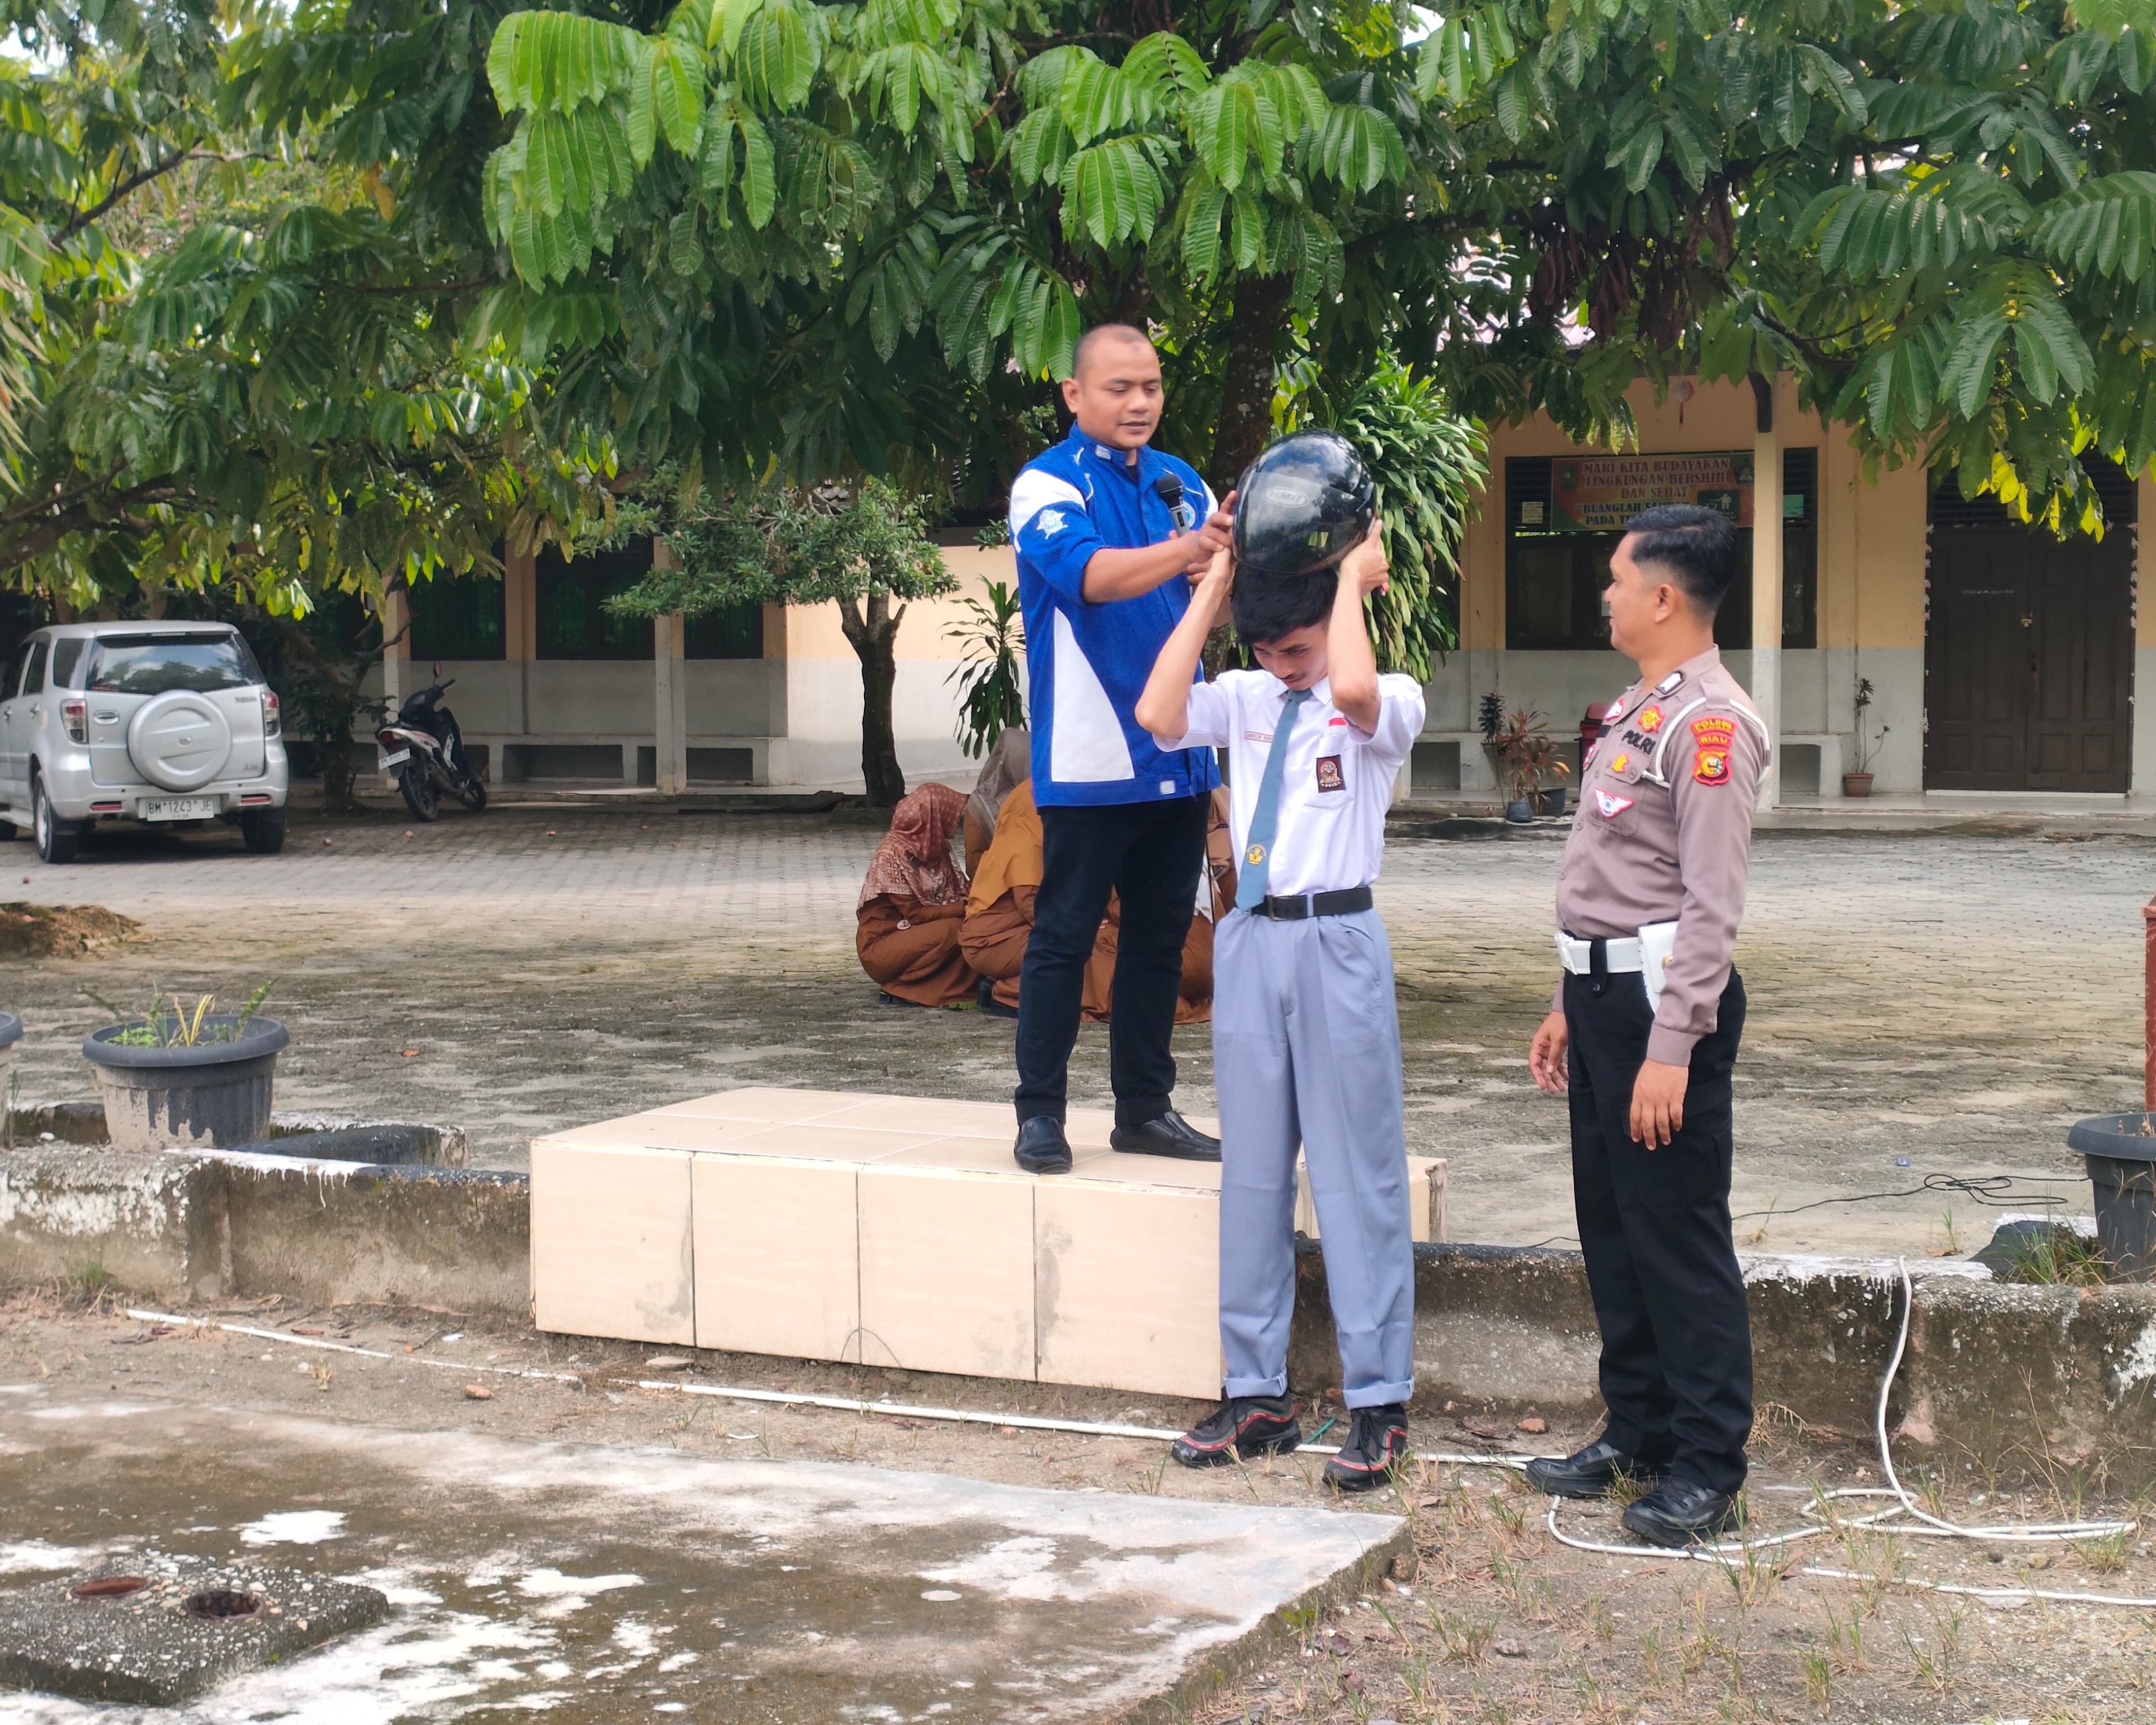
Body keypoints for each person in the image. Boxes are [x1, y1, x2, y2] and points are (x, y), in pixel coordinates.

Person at [1136, 451, 1423, 1494]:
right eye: (1269, 645)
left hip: (1337, 939)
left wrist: (1348, 572)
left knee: (1357, 1176)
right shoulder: (1249, 694)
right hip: (1254, 939)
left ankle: (1379, 1401)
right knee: (1253, 1175)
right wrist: (1215, 577)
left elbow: (1346, 680)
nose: (1286, 662)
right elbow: (1161, 713)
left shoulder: (1386, 700)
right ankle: (1257, 1392)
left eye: (1296, 643)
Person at [1523, 503, 1770, 1548]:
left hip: (1665, 1011)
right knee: (1614, 1227)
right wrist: (1568, 999)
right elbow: (1615, 879)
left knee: (1675, 1233)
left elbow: (1710, 908)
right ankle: (1639, 1429)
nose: (1608, 594)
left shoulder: (1711, 726)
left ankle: (1710, 1463)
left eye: (1619, 579)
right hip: (1604, 1000)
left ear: (1664, 597)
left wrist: (1672, 1048)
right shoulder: (1644, 706)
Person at [1005, 323, 1237, 1174]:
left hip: (1178, 751)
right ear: (1074, 394)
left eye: (1151, 387)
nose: (1139, 402)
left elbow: (1216, 589)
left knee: (1158, 937)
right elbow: (1090, 575)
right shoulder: (1043, 486)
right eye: (1118, 388)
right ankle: (1040, 1115)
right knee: (1062, 937)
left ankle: (1145, 1109)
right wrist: (1191, 551)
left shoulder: (1182, 482)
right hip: (1094, 756)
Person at [963, 777, 1234, 1024]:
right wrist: (1087, 919)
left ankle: (1018, 988)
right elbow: (1036, 908)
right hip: (999, 938)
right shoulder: (1023, 839)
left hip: (1047, 924)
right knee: (1087, 952)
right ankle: (1009, 991)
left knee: (1116, 952)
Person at [856, 782, 976, 1008]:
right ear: (932, 818)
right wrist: (965, 908)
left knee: (975, 925)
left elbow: (960, 890)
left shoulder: (937, 849)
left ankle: (948, 989)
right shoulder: (891, 854)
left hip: (915, 934)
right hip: (882, 945)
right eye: (948, 816)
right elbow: (917, 914)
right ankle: (902, 989)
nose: (955, 823)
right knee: (955, 930)